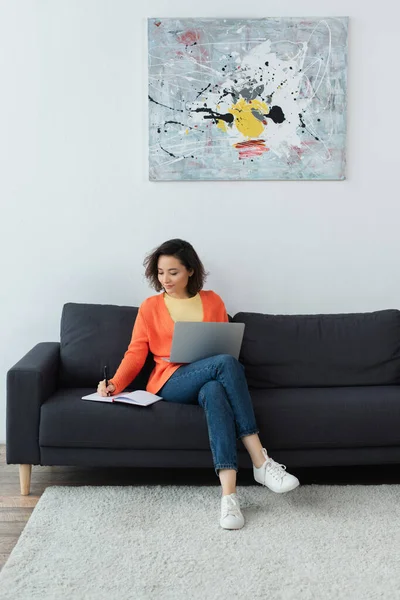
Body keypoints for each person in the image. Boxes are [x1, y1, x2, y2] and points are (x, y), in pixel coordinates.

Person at [97, 239, 299, 530]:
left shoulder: (213, 300)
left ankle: (229, 499)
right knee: (226, 364)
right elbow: (136, 352)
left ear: (190, 271)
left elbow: (222, 345)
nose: (165, 279)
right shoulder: (151, 307)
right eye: (161, 272)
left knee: (216, 389)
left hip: (209, 378)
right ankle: (260, 460)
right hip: (170, 380)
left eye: (174, 272)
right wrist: (115, 383)